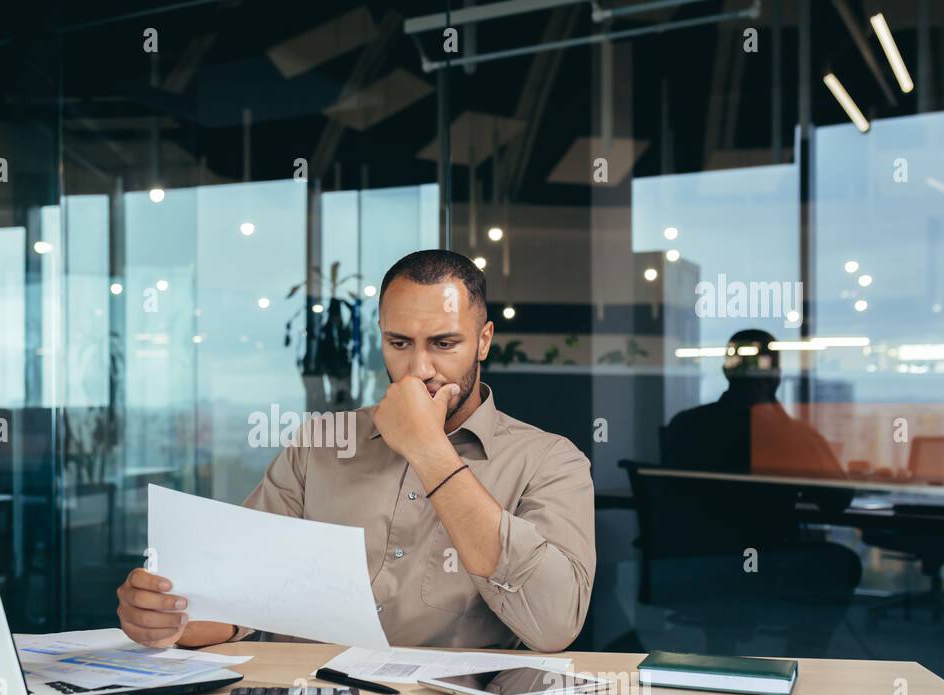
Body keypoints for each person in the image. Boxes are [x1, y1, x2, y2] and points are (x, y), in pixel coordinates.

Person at [116, 250, 595, 653]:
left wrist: (430, 451)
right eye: (399, 343)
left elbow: (554, 626)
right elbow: (238, 599)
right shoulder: (319, 445)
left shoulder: (552, 462)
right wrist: (171, 619)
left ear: (483, 341)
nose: (419, 368)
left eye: (444, 343)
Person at [659, 329, 860, 655]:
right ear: (775, 376)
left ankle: (720, 646)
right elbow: (837, 501)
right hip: (766, 565)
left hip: (691, 566)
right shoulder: (790, 433)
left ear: (726, 370)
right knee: (841, 563)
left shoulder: (686, 424)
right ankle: (803, 660)